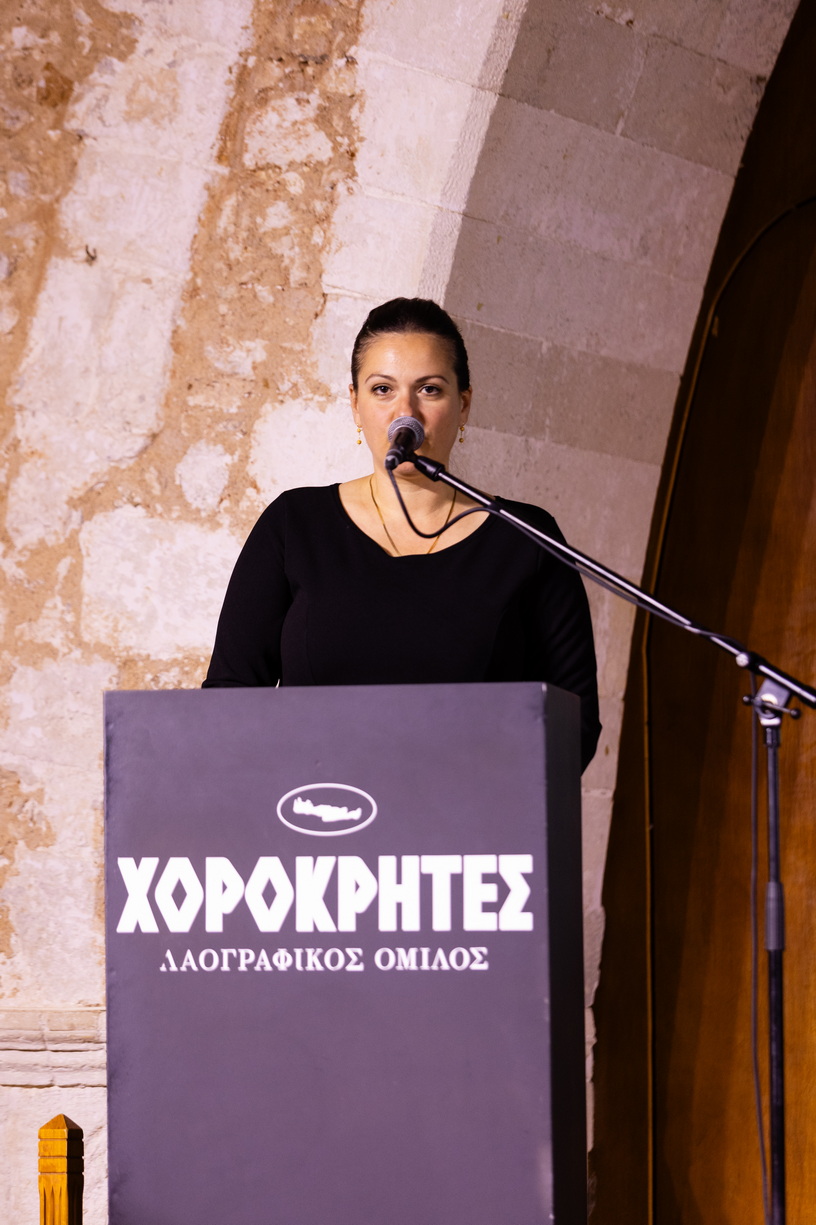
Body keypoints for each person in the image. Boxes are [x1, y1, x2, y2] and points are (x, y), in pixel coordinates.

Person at [203, 298, 601, 770]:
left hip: (464, 810)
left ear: (463, 404)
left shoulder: (526, 538)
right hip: (315, 806)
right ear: (355, 404)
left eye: (429, 390)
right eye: (382, 389)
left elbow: (572, 725)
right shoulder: (294, 524)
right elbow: (229, 699)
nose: (405, 412)